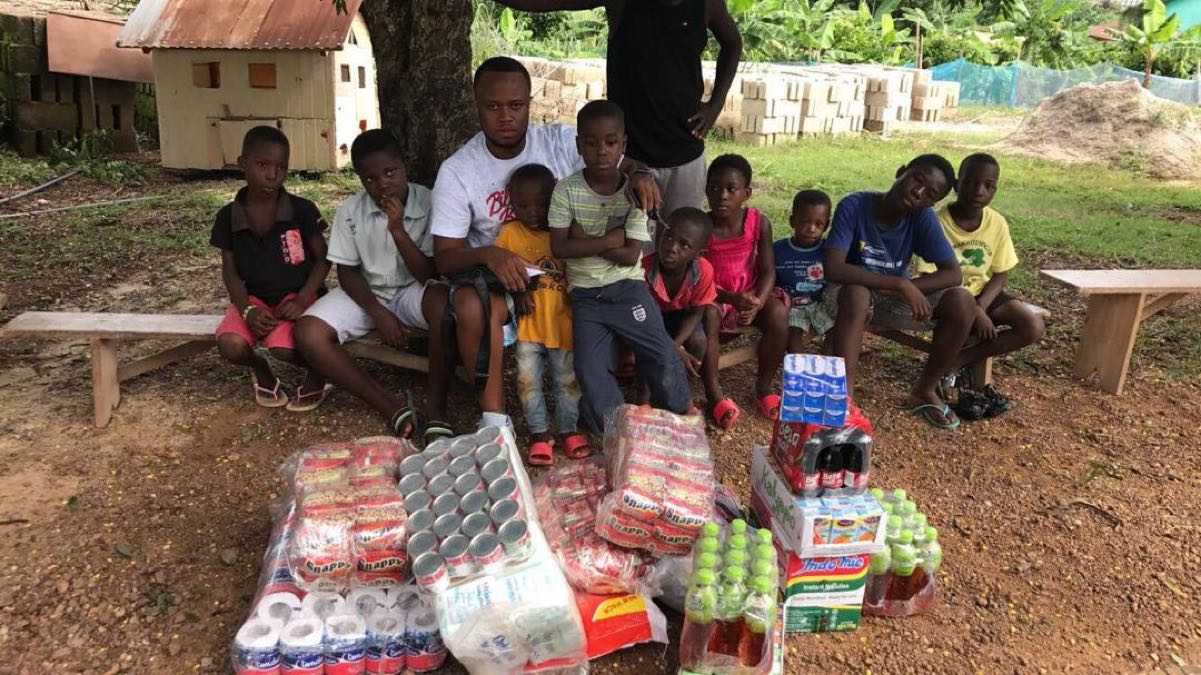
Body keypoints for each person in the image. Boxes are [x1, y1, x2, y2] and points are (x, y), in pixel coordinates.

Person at [430, 57, 659, 433]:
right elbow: (445, 257)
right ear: (476, 105)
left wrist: (641, 173)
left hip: (577, 270)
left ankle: (633, 400)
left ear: (529, 103)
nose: (506, 116)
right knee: (471, 305)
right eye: (493, 106)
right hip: (505, 286)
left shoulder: (558, 143)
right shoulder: (458, 170)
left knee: (625, 286)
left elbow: (616, 157)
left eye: (516, 105)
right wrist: (490, 253)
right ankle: (495, 422)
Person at [490, 0, 742, 219]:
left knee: (682, 247)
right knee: (633, 254)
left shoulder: (706, 3)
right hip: (631, 157)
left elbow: (732, 43)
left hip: (685, 154)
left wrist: (715, 105)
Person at [294, 129, 452, 441]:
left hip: (414, 289)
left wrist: (397, 229)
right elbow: (348, 273)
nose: (382, 184)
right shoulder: (351, 211)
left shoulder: (431, 201)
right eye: (370, 178)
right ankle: (390, 406)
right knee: (308, 332)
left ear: (404, 166)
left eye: (390, 172)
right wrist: (378, 312)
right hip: (367, 292)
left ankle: (437, 410)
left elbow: (430, 274)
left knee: (444, 305)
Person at [549, 100, 691, 434]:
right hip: (585, 296)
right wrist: (611, 239)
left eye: (611, 143)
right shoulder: (566, 191)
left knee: (660, 353)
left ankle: (679, 416)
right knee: (589, 368)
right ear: (579, 145)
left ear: (623, 145)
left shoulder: (636, 193)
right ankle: (617, 433)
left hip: (627, 289)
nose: (601, 151)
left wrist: (585, 239)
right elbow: (560, 248)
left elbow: (631, 256)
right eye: (592, 143)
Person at [823, 153, 971, 430]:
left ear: (933, 203)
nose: (918, 192)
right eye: (917, 179)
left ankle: (924, 389)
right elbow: (833, 268)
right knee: (858, 294)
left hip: (889, 300)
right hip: (845, 298)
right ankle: (844, 399)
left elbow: (954, 273)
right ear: (900, 171)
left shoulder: (922, 218)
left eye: (930, 193)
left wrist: (909, 288)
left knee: (962, 301)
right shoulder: (855, 205)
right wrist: (901, 284)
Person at [210, 126, 330, 411]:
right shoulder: (228, 216)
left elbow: (324, 259)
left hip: (297, 297)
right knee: (231, 345)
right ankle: (261, 368)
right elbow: (230, 272)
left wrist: (302, 299)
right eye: (262, 164)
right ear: (243, 163)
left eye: (281, 167)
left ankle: (320, 373)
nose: (272, 174)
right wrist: (247, 310)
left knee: (285, 348)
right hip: (254, 299)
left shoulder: (302, 210)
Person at [914, 153, 1045, 415]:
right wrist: (973, 311)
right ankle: (937, 374)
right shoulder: (936, 222)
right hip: (947, 296)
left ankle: (956, 361)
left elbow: (1000, 273)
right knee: (958, 313)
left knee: (1032, 326)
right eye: (971, 183)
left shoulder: (996, 223)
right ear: (957, 184)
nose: (979, 191)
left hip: (983, 293)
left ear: (995, 189)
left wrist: (981, 307)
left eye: (988, 185)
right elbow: (931, 278)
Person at [494, 163, 592, 465]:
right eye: (523, 205)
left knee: (566, 380)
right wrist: (519, 292)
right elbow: (499, 272)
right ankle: (538, 433)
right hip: (529, 326)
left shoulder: (563, 234)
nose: (534, 211)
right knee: (528, 381)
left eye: (542, 203)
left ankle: (568, 429)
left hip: (562, 324)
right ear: (511, 203)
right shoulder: (510, 234)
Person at [703, 154, 789, 420]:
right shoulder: (702, 227)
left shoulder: (758, 222)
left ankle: (763, 387)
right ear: (706, 190)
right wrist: (730, 298)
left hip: (750, 292)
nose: (722, 196)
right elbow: (699, 280)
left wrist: (758, 302)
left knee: (778, 314)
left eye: (732, 189)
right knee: (708, 317)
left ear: (747, 192)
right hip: (715, 296)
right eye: (715, 188)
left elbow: (767, 271)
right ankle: (714, 393)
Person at [641, 207, 738, 429]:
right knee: (646, 348)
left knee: (698, 341)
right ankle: (644, 401)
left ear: (698, 253)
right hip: (651, 321)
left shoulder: (703, 270)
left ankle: (681, 392)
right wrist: (670, 348)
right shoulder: (644, 270)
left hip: (684, 317)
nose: (672, 248)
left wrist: (675, 346)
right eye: (668, 237)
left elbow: (697, 312)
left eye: (684, 245)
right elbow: (646, 320)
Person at [775, 189, 834, 353]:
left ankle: (823, 368)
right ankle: (800, 372)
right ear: (793, 221)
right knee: (793, 333)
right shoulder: (778, 249)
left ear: (826, 225)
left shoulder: (828, 250)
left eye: (818, 224)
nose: (811, 229)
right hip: (792, 305)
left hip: (821, 304)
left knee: (836, 330)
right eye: (804, 222)